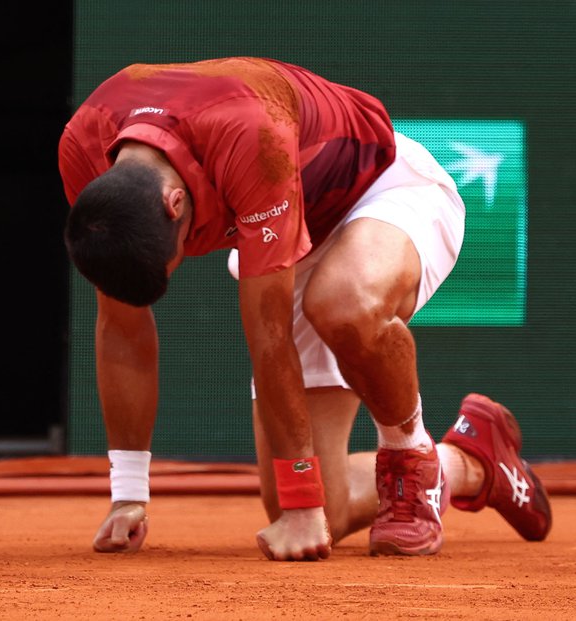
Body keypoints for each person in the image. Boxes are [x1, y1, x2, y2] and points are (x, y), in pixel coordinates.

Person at [59, 57, 551, 561]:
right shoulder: (84, 150)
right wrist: (128, 494)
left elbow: (269, 338)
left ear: (174, 203)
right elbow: (121, 328)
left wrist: (301, 505)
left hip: (381, 193)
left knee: (342, 303)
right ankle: (472, 460)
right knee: (325, 510)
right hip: (294, 232)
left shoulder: (251, 135)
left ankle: (409, 456)